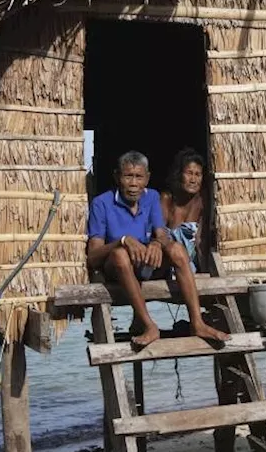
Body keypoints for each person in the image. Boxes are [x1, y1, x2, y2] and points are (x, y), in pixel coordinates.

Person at [86, 151, 228, 348]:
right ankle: (149, 325)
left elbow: (161, 233)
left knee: (177, 249)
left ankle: (197, 322)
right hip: (117, 270)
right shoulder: (101, 203)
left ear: (147, 178)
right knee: (119, 255)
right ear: (117, 177)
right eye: (128, 176)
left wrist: (156, 243)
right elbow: (93, 256)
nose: (134, 183)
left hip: (146, 264)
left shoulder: (151, 197)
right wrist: (123, 241)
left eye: (139, 177)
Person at [160, 148, 206, 273]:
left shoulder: (203, 203)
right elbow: (159, 236)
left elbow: (201, 243)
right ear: (179, 174)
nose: (193, 180)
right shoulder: (167, 200)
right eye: (189, 173)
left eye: (198, 174)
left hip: (194, 267)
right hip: (168, 264)